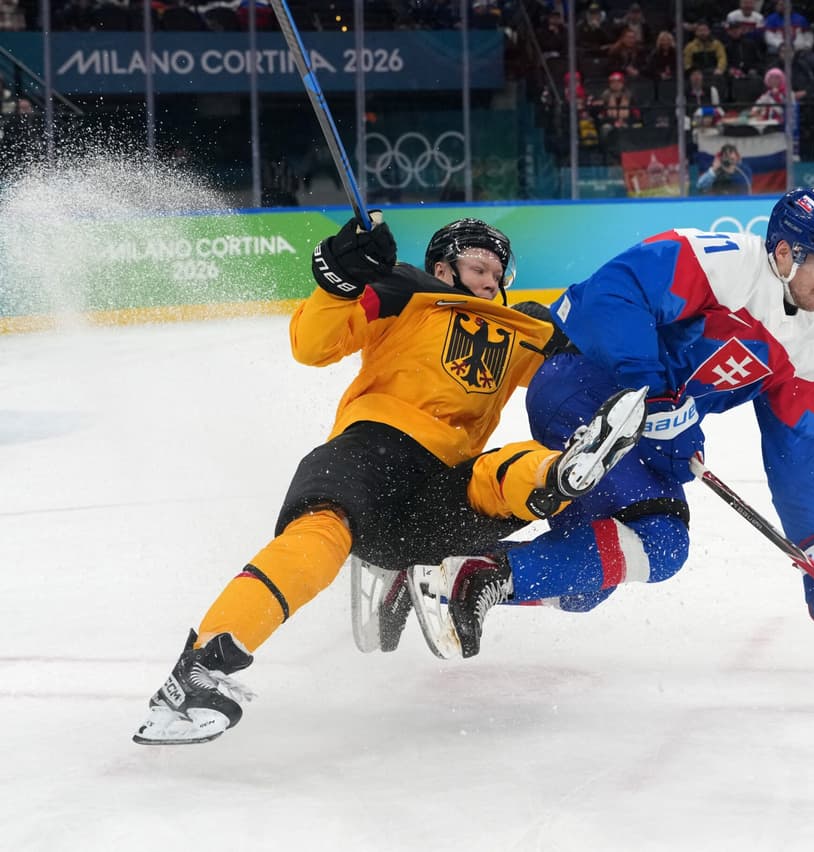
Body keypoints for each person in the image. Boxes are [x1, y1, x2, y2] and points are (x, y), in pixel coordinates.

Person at [132, 215, 647, 743]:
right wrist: (339, 282)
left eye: (500, 272)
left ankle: (564, 473)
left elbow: (587, 377)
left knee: (505, 470)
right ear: (443, 268)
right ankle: (199, 667)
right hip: (372, 450)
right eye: (479, 267)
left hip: (439, 501)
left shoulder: (527, 328)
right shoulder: (405, 289)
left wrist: (659, 396)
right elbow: (313, 345)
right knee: (319, 537)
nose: (493, 281)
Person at [405, 188, 814, 660]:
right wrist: (657, 395)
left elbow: (796, 458)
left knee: (589, 581)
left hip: (637, 427)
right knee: (661, 541)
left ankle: (436, 565)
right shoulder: (724, 262)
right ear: (785, 253)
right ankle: (471, 574)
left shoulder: (808, 348)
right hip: (586, 382)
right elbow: (614, 293)